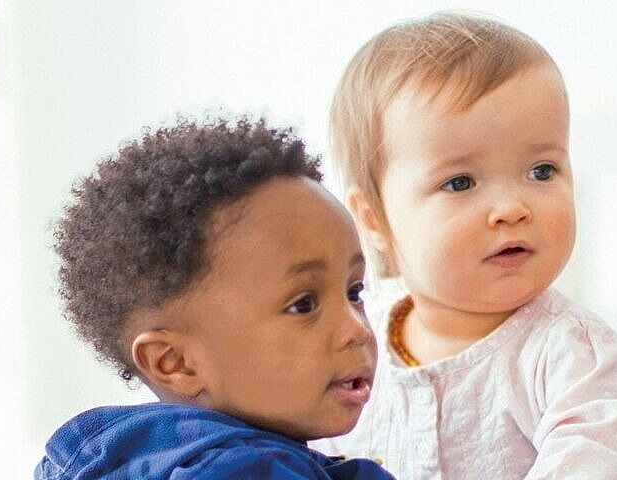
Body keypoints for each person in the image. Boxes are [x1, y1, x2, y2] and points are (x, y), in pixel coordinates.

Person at [311, 12, 617, 479]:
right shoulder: (351, 343)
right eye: (460, 182)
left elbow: (598, 458)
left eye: (541, 171)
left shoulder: (571, 352)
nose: (511, 208)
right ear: (373, 218)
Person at [34, 117, 397, 479]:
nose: (357, 330)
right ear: (176, 363)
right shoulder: (246, 471)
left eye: (354, 292)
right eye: (302, 304)